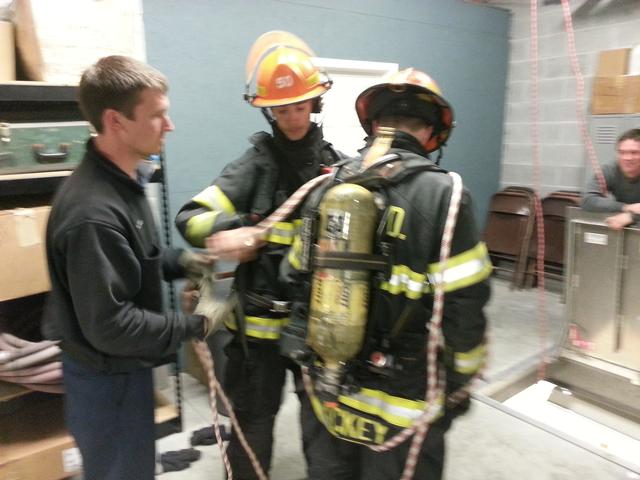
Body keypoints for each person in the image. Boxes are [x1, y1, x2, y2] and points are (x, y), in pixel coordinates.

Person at [280, 68, 491, 479]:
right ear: (432, 134)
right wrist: (461, 378)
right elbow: (465, 304)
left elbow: (294, 277)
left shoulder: (324, 187)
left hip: (327, 391)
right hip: (404, 398)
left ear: (374, 125)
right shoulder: (445, 194)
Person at [175, 32, 344, 479]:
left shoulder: (338, 171)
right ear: (268, 110)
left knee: (325, 427)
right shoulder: (252, 167)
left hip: (316, 328)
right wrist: (231, 232)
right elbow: (190, 217)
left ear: (315, 104)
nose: (292, 118)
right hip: (259, 336)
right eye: (282, 109)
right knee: (252, 424)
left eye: (300, 106)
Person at [42, 55, 216, 480]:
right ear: (115, 121)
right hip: (106, 382)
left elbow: (135, 261)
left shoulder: (125, 182)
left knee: (134, 466)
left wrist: (184, 261)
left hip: (123, 371)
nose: (169, 126)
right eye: (158, 116)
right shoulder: (92, 215)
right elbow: (111, 325)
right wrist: (196, 325)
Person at [582, 128, 640, 230]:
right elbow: (588, 200)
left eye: (634, 152)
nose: (627, 158)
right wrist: (626, 207)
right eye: (622, 152)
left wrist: (632, 217)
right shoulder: (610, 170)